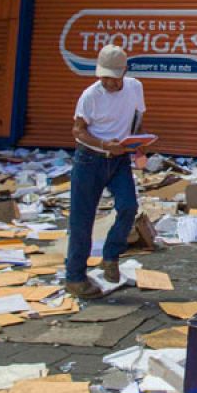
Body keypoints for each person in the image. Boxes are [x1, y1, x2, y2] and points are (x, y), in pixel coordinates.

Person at [66, 44, 146, 298]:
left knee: (128, 207)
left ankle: (110, 256)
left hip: (119, 159)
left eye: (113, 77)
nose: (108, 82)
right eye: (104, 77)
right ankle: (75, 278)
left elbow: (137, 118)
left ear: (124, 72)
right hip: (90, 160)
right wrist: (103, 144)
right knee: (82, 220)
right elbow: (78, 131)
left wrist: (137, 144)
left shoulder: (135, 88)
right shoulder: (90, 95)